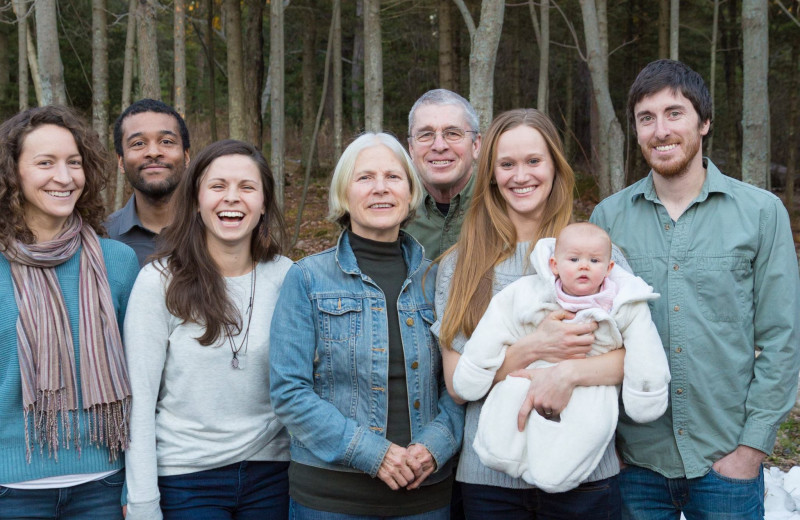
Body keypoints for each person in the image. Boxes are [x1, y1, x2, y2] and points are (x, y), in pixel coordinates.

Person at [590, 59, 800, 518]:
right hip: (635, 466)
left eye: (674, 113)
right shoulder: (607, 220)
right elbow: (592, 336)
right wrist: (609, 448)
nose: (660, 130)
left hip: (726, 463)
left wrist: (751, 449)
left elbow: (783, 339)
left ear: (704, 122)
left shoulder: (762, 214)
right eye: (646, 118)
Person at [434, 108, 626, 518]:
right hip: (489, 480)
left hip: (584, 473)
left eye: (533, 161)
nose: (521, 176)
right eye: (507, 164)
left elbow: (634, 357)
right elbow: (456, 382)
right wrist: (535, 347)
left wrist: (567, 372)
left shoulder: (596, 256)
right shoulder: (458, 266)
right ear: (490, 174)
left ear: (555, 167)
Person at [270, 132, 464, 519]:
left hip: (424, 497)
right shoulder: (307, 279)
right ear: (344, 192)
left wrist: (434, 447)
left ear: (411, 193)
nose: (380, 189)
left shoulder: (437, 280)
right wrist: (375, 454)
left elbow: (460, 385)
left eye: (393, 177)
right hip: (331, 498)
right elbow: (289, 391)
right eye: (365, 178)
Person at [123, 140, 292, 520]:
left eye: (247, 187)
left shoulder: (288, 277)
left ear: (264, 203)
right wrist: (143, 503)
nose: (232, 198)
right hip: (186, 478)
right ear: (196, 199)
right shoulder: (159, 282)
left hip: (272, 475)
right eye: (217, 186)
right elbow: (139, 401)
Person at [454, 222, 669, 493]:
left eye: (594, 260)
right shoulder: (529, 291)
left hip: (590, 388)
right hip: (528, 372)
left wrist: (647, 392)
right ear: (554, 264)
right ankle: (502, 451)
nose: (584, 266)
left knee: (588, 424)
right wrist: (475, 368)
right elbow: (496, 324)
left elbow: (645, 348)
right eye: (574, 259)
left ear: (609, 268)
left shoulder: (625, 303)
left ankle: (555, 472)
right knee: (512, 396)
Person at [0, 106, 139, 519]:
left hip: (103, 487)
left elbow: (146, 381)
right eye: (45, 163)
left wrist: (136, 484)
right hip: (10, 490)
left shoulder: (118, 262)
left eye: (74, 163)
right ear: (12, 174)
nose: (64, 177)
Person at [106, 99, 191, 267]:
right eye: (138, 143)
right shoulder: (102, 240)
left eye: (166, 141)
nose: (153, 152)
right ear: (121, 162)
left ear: (186, 156)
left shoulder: (215, 230)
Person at [404, 89, 481, 259]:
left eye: (453, 133)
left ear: (475, 145)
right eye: (426, 135)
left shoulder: (502, 205)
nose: (439, 146)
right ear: (411, 148)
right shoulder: (395, 212)